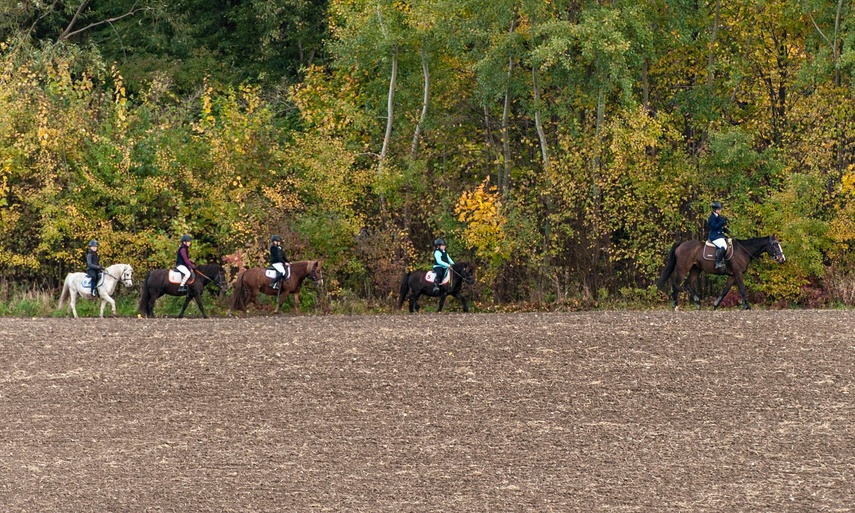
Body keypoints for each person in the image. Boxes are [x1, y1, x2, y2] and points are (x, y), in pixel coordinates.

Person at [708, 201, 731, 271]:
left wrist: (724, 230)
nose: (720, 210)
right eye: (719, 209)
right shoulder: (711, 218)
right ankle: (718, 263)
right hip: (714, 236)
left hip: (719, 235)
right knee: (723, 246)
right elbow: (714, 227)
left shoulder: (718, 216)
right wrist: (722, 222)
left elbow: (719, 227)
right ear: (715, 210)